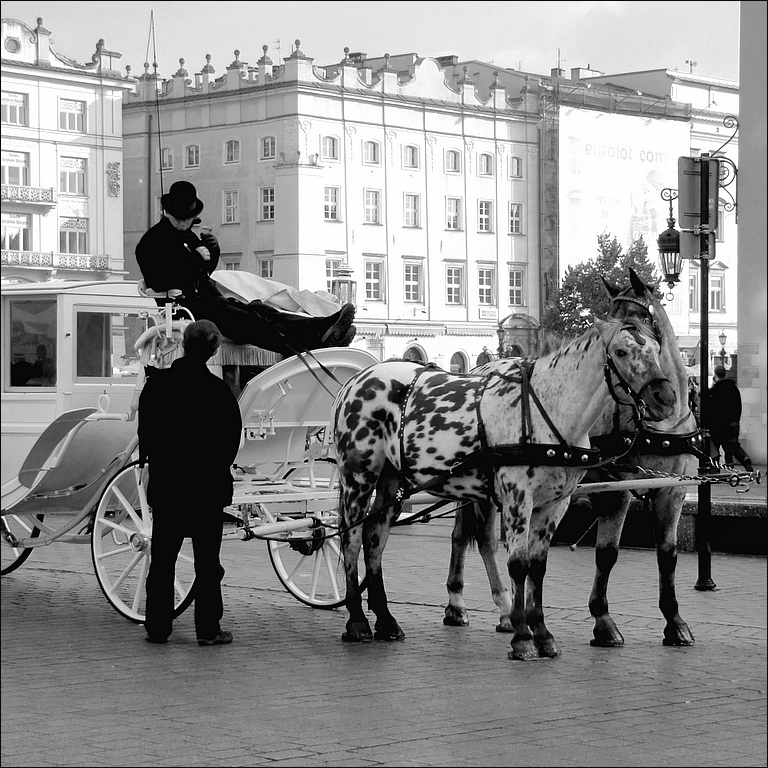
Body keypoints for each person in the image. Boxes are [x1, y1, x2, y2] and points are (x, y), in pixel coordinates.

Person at [136, 181, 356, 357]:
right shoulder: (152, 243)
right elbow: (165, 278)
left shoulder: (186, 235)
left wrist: (213, 251)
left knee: (261, 310)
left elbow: (204, 272)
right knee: (250, 321)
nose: (186, 224)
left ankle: (321, 327)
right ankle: (313, 340)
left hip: (209, 300)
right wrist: (195, 258)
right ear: (169, 213)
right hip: (190, 307)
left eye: (189, 219)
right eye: (181, 219)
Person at [138, 319, 243, 646]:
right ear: (213, 350)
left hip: (169, 485)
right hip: (206, 489)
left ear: (183, 344)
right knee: (207, 563)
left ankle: (158, 627)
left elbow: (147, 434)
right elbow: (230, 440)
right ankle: (208, 629)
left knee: (163, 559)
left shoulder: (158, 384)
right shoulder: (218, 392)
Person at [706, 365, 754, 472]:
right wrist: (736, 420)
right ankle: (742, 459)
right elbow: (738, 406)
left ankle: (715, 467)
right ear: (725, 374)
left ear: (715, 374)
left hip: (717, 424)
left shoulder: (715, 390)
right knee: (732, 446)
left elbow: (710, 408)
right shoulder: (734, 389)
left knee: (715, 446)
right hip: (733, 422)